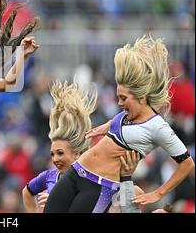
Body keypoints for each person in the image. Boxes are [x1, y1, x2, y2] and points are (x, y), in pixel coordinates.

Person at [44, 36, 195, 213]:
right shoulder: (128, 113)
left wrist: (159, 193)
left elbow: (187, 163)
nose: (119, 103)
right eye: (118, 97)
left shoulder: (158, 127)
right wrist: (102, 128)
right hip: (76, 172)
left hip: (99, 188)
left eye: (123, 98)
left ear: (141, 97)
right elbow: (117, 124)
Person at [22, 80, 141, 213]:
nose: (55, 158)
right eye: (52, 154)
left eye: (60, 153)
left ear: (77, 154)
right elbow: (27, 192)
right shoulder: (49, 176)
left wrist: (126, 178)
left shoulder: (93, 177)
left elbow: (136, 194)